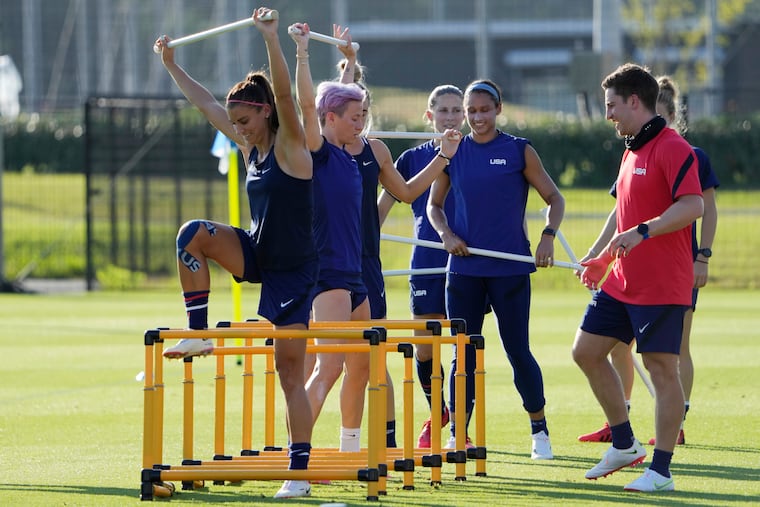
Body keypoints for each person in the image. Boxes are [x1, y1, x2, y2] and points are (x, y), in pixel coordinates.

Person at [155, 7, 316, 499]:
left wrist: (274, 39)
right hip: (258, 252)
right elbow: (206, 105)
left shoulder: (290, 145)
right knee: (192, 236)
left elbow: (285, 94)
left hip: (295, 271)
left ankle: (299, 473)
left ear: (263, 112)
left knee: (290, 373)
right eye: (236, 123)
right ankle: (199, 333)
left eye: (245, 121)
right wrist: (171, 65)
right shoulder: (250, 149)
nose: (239, 129)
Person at [573, 63, 703, 492]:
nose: (608, 114)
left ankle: (661, 471)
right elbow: (621, 214)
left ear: (634, 101)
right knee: (586, 351)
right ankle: (625, 444)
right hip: (622, 281)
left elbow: (692, 206)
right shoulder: (630, 148)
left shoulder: (673, 147)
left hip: (663, 283)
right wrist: (599, 257)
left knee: (661, 369)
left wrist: (644, 230)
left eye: (612, 105)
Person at [335, 31, 462, 450]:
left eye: (365, 112)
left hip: (366, 266)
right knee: (328, 361)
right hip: (326, 265)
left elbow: (406, 192)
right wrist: (345, 64)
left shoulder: (378, 151)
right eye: (354, 112)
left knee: (372, 356)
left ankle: (386, 446)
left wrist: (443, 158)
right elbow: (318, 105)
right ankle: (330, 449)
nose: (360, 118)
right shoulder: (322, 148)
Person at [427, 79, 564, 459]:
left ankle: (539, 431)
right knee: (463, 355)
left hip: (510, 269)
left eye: (484, 110)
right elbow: (434, 207)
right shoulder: (452, 151)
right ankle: (459, 433)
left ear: (498, 109)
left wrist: (548, 235)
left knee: (518, 349)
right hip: (465, 270)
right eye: (471, 111)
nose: (477, 118)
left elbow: (554, 197)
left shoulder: (519, 150)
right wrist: (446, 234)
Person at [377, 84, 465, 449]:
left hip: (465, 262)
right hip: (426, 261)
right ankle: (438, 411)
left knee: (463, 345)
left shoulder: (475, 152)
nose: (450, 117)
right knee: (425, 348)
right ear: (429, 117)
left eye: (456, 110)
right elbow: (379, 211)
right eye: (442, 111)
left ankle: (461, 426)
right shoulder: (412, 158)